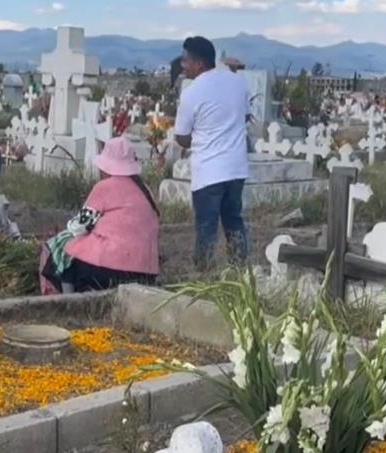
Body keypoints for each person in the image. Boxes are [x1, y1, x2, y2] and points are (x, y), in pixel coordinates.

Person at [40, 137, 159, 293]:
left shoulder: (105, 187)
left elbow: (80, 226)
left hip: (106, 268)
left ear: (105, 168)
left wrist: (68, 228)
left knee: (61, 249)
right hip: (145, 271)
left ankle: (68, 302)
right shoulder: (145, 190)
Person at [173, 35, 250, 271]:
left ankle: (205, 277)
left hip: (209, 171)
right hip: (236, 168)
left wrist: (199, 136)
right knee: (234, 223)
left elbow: (181, 137)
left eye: (186, 60)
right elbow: (245, 116)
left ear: (199, 63)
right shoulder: (237, 82)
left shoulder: (192, 92)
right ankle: (241, 271)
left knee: (206, 228)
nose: (182, 65)